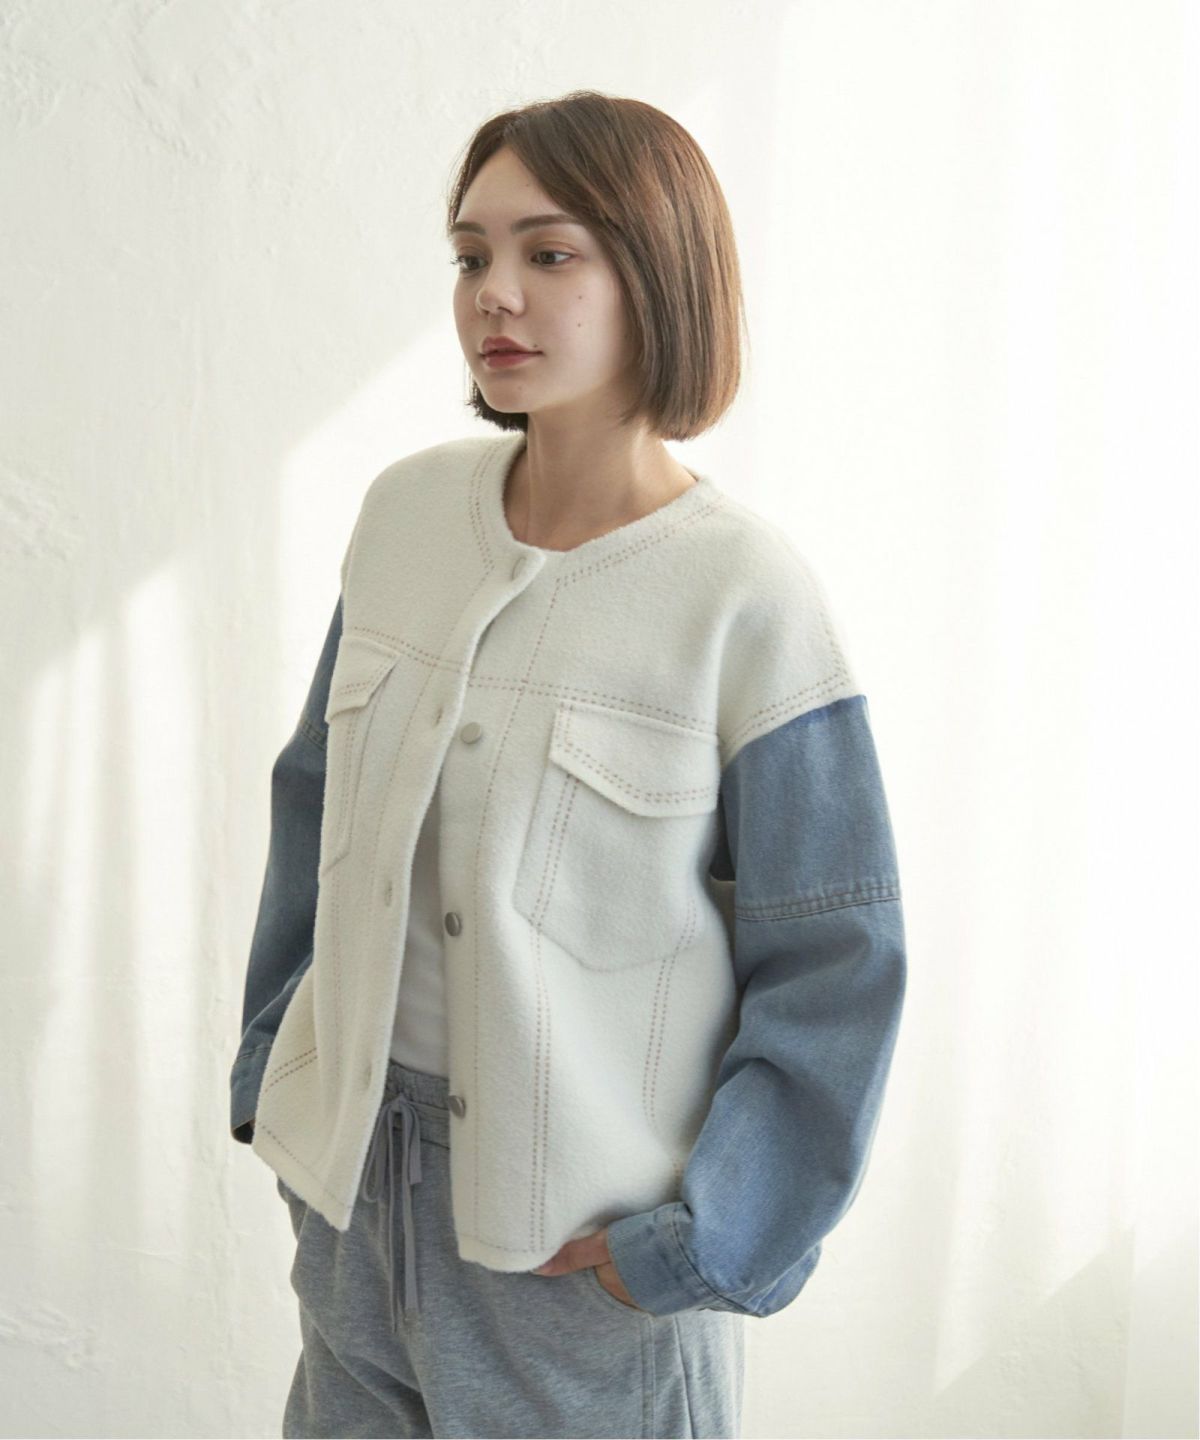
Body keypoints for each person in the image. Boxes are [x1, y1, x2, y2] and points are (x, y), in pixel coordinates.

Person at [230, 90, 907, 1439]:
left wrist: (705, 1238)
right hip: (353, 1205)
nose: (495, 294)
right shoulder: (404, 517)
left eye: (549, 253)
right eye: (471, 255)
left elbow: (834, 957)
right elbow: (314, 807)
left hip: (582, 1263)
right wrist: (273, 1079)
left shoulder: (745, 594)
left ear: (657, 272)